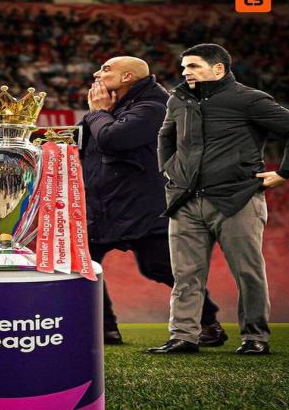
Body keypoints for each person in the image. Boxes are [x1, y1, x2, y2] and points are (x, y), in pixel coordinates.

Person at [149, 44, 289, 355]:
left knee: (248, 273)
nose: (186, 72)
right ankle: (183, 337)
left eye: (194, 66)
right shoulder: (178, 99)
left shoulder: (249, 99)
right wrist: (169, 170)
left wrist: (285, 172)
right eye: (184, 67)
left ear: (218, 69)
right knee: (185, 275)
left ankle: (255, 337)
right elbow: (165, 136)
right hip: (185, 201)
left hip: (237, 199)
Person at [80, 56, 226, 345]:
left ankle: (208, 323)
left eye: (105, 69)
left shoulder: (157, 107)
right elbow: (81, 145)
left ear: (127, 77)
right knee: (83, 264)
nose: (96, 74)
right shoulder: (111, 107)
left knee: (158, 266)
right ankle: (104, 329)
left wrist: (97, 113)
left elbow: (113, 139)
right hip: (102, 205)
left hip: (144, 208)